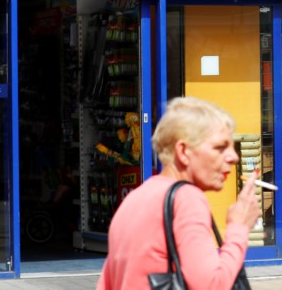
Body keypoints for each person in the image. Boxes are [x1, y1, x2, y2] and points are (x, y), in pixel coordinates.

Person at [96, 97, 261, 290]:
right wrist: (238, 227)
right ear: (183, 151)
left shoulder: (134, 199)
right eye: (220, 147)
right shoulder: (186, 199)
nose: (234, 157)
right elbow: (212, 285)